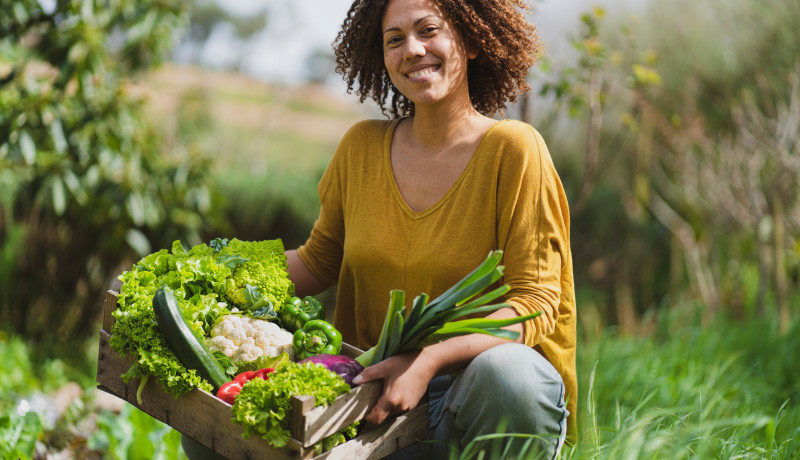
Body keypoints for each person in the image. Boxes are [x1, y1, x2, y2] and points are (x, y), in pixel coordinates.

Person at [286, 0, 576, 458]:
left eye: (428, 30)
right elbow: (318, 261)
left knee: (513, 377)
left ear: (474, 40)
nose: (413, 49)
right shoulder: (361, 148)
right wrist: (215, 276)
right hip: (370, 402)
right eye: (395, 39)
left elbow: (533, 304)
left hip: (466, 406)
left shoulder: (513, 151)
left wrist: (429, 359)